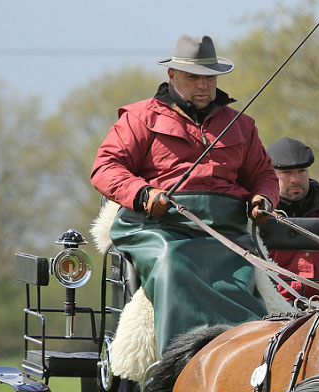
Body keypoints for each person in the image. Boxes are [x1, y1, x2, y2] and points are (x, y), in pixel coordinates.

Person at [91, 34, 280, 356]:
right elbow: (106, 167)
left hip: (226, 232)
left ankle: (247, 358)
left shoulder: (242, 125)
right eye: (194, 77)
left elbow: (262, 175)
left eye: (209, 77)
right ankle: (178, 361)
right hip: (157, 227)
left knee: (240, 275)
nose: (203, 86)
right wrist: (144, 194)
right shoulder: (140, 118)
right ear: (172, 76)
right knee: (173, 263)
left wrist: (263, 198)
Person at [265, 137, 319, 302]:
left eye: (301, 171)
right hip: (274, 311)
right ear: (271, 174)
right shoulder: (260, 215)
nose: (296, 179)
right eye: (286, 173)